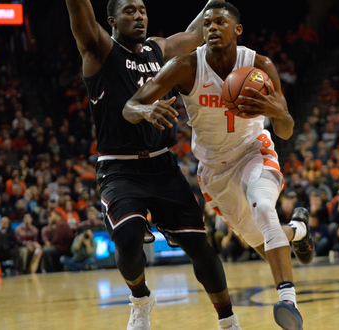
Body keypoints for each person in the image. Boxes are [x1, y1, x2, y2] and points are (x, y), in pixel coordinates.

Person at [123, 3, 315, 329]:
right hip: (215, 170)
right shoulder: (185, 66)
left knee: (265, 207)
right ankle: (298, 230)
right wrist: (144, 112)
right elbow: (131, 104)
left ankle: (288, 301)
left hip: (254, 150)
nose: (212, 27)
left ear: (237, 30)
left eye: (220, 22)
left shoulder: (259, 64)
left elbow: (286, 129)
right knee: (259, 237)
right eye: (207, 23)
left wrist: (278, 113)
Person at [64, 0, 241, 329]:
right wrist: (144, 110)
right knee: (128, 237)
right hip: (120, 169)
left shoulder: (157, 49)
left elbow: (196, 32)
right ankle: (141, 299)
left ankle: (228, 321)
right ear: (112, 20)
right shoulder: (100, 49)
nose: (139, 16)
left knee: (201, 247)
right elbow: (79, 13)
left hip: (162, 167)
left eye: (142, 10)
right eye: (129, 10)